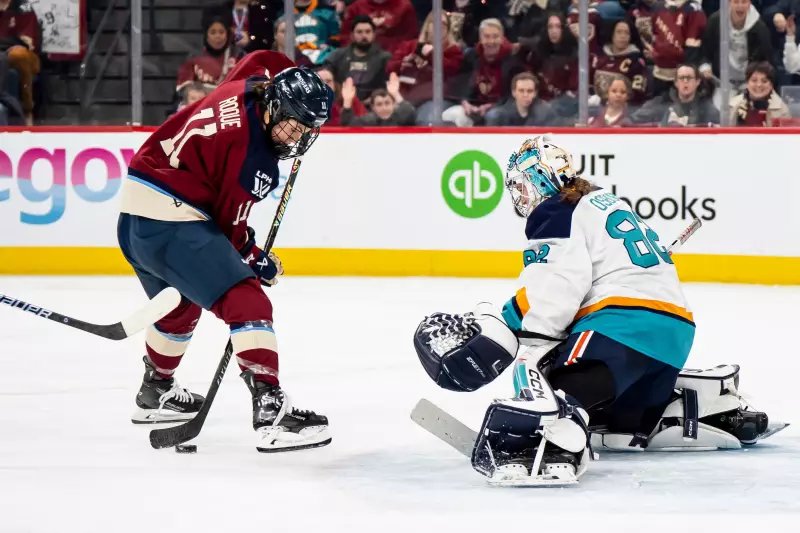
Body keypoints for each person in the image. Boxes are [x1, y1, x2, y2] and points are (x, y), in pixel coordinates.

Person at [412, 135, 779, 486]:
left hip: (621, 328)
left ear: (543, 178)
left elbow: (556, 291)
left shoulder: (556, 211)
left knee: (547, 375)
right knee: (616, 421)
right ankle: (690, 408)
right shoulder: (602, 201)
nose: (520, 197)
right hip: (673, 334)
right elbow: (574, 282)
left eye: (522, 185)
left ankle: (557, 435)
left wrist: (518, 336)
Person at [118, 50, 335, 453]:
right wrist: (256, 260)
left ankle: (156, 391)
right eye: (292, 127)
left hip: (134, 218)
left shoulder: (250, 85)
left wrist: (299, 74)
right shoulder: (255, 164)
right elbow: (229, 231)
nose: (298, 139)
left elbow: (260, 56)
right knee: (248, 302)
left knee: (180, 306)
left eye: (307, 130)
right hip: (173, 223)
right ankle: (272, 413)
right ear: (274, 106)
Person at [443, 18, 515, 127]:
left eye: (495, 37)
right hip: (474, 106)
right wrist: (465, 102)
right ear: (480, 38)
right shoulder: (471, 56)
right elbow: (460, 83)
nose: (491, 41)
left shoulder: (512, 59)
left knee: (493, 116)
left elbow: (512, 95)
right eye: (486, 37)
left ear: (502, 39)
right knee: (448, 115)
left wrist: (491, 106)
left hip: (500, 106)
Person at [699, 0, 772, 94]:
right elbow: (705, 52)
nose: (740, 6)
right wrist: (705, 66)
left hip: (749, 82)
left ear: (749, 3)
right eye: (736, 2)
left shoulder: (760, 28)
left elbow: (765, 59)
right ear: (729, 3)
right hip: (720, 81)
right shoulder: (715, 21)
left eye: (744, 2)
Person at [324, 15, 391, 103]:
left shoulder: (384, 58)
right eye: (359, 32)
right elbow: (325, 80)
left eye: (368, 32)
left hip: (373, 106)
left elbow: (389, 86)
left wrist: (372, 100)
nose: (364, 36)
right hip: (341, 103)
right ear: (352, 35)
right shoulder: (337, 56)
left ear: (374, 34)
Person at [631, 63, 719, 126]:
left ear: (697, 82)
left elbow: (721, 126)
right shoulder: (661, 103)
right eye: (681, 78)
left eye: (689, 78)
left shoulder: (706, 107)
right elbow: (632, 121)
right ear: (676, 82)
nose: (685, 81)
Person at [176, 14, 244, 94]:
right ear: (206, 35)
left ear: (227, 35)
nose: (217, 36)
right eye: (213, 32)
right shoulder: (194, 57)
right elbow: (183, 90)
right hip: (202, 103)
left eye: (221, 32)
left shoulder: (238, 55)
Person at [0, 0, 40, 124]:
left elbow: (25, 42)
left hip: (22, 54)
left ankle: (27, 109)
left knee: (18, 55)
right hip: (4, 50)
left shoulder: (23, 7)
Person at [340, 72, 416, 125]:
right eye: (379, 104)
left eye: (387, 103)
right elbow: (348, 124)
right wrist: (347, 100)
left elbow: (411, 114)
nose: (384, 108)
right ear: (373, 107)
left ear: (393, 105)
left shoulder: (400, 118)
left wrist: (396, 94)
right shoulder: (368, 121)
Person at [484, 72, 558, 127]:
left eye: (529, 91)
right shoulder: (499, 116)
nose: (525, 95)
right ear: (513, 92)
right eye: (521, 91)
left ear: (535, 93)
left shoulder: (546, 113)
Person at [729, 61, 791, 125]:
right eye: (754, 80)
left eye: (764, 81)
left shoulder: (782, 110)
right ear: (747, 83)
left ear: (771, 85)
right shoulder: (732, 105)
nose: (759, 85)